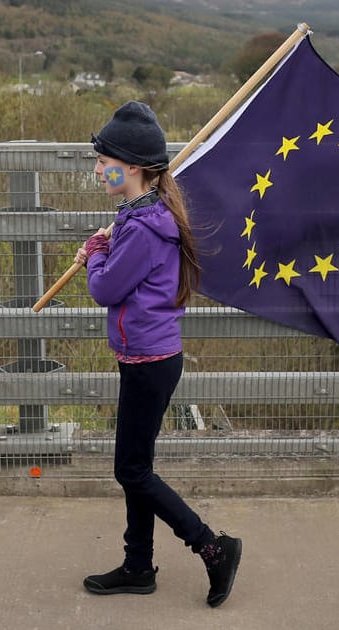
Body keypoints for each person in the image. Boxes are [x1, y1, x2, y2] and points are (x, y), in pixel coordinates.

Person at [74, 101, 242, 608]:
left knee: (132, 471)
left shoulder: (144, 228)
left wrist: (95, 257)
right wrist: (105, 248)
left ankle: (212, 547)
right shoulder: (140, 216)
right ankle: (138, 565)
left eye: (106, 161)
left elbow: (105, 290)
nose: (99, 168)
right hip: (146, 357)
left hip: (149, 362)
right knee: (137, 466)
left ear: (135, 168)